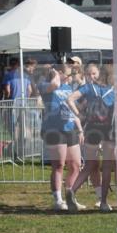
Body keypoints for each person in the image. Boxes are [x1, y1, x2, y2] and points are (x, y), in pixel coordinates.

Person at [67, 63, 116, 212]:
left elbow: (69, 99)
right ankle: (104, 202)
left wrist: (80, 115)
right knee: (107, 166)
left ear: (99, 75)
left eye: (94, 74)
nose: (92, 76)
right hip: (108, 129)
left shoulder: (88, 88)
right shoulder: (113, 91)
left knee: (89, 165)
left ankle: (72, 191)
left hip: (92, 128)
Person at [37, 67, 82, 210]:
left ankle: (70, 198)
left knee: (75, 165)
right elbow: (55, 85)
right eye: (65, 72)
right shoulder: (44, 85)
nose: (69, 75)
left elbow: (71, 108)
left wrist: (79, 128)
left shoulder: (68, 87)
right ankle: (58, 200)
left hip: (70, 129)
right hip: (54, 130)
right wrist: (56, 74)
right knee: (59, 165)